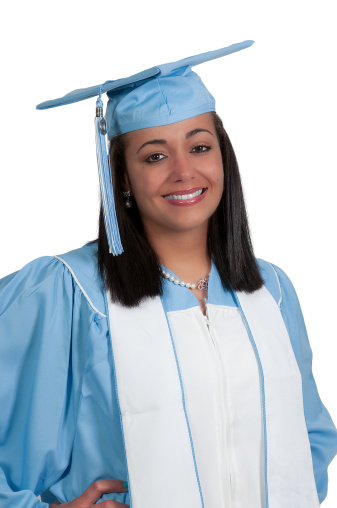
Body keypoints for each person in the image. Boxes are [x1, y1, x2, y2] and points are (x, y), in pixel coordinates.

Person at [0, 40, 336, 508]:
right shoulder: (70, 294)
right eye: (155, 156)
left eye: (199, 147)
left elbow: (310, 438)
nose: (183, 171)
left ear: (223, 159)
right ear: (121, 178)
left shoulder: (270, 291)